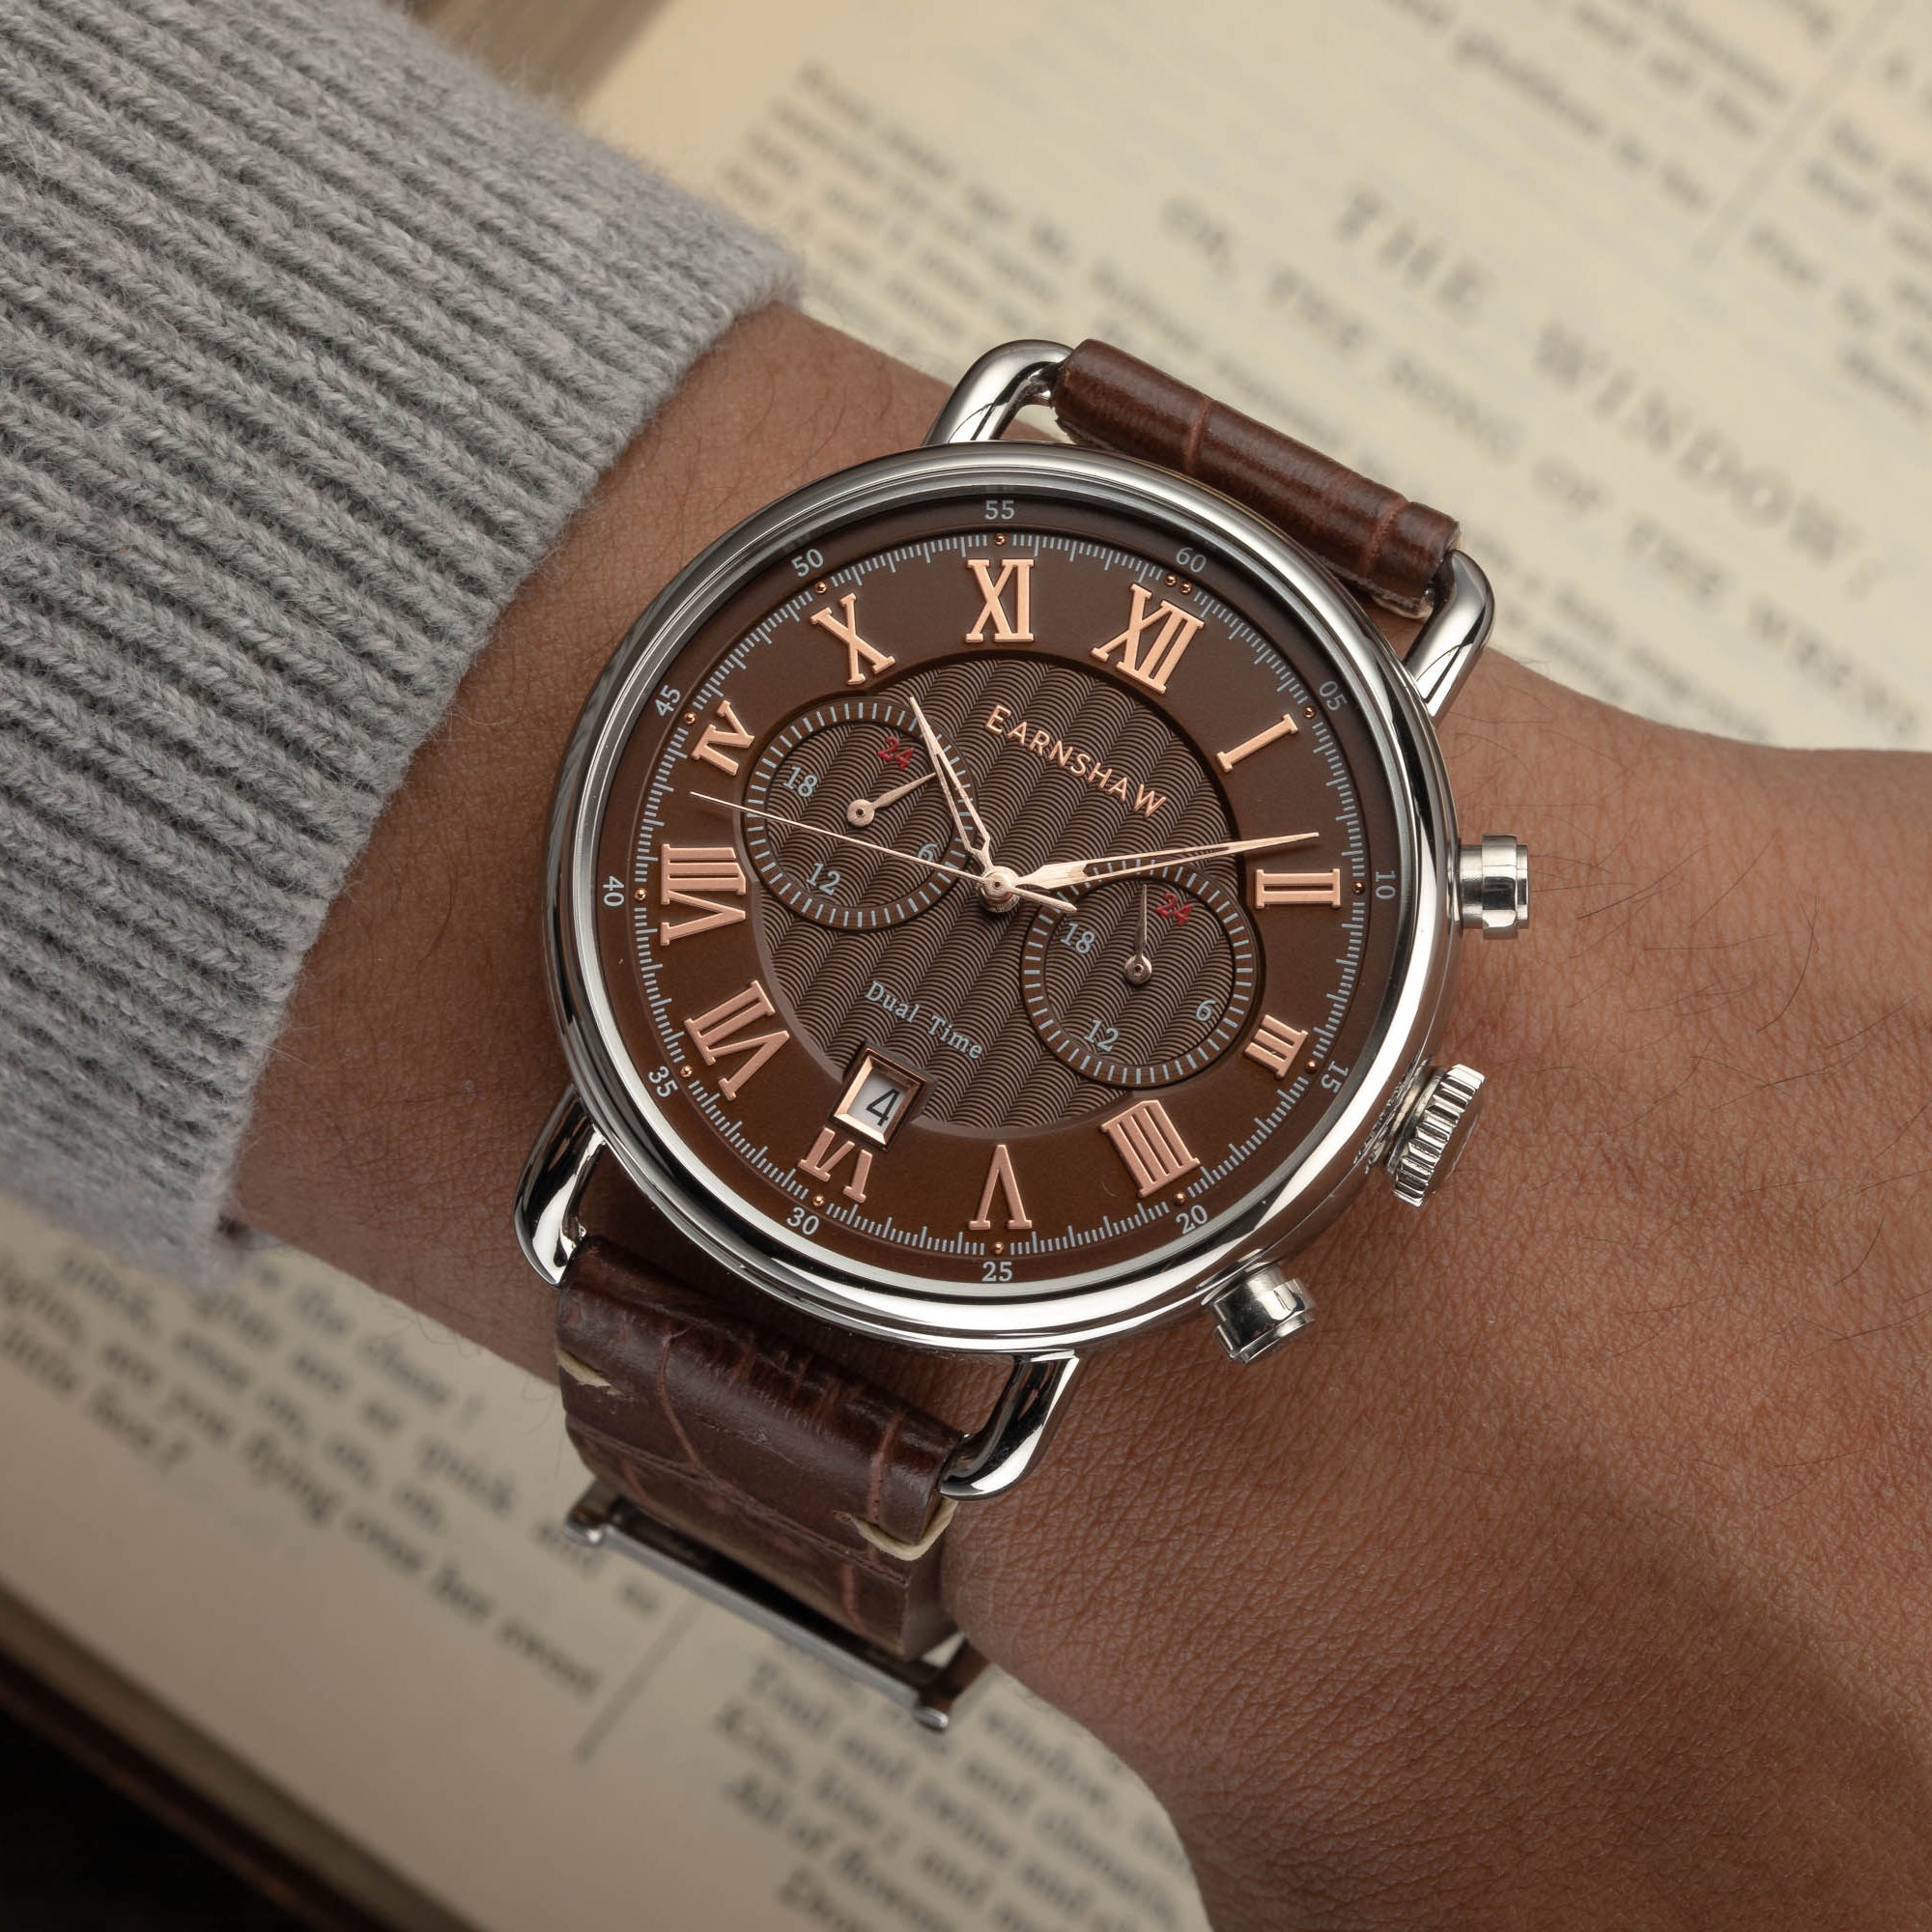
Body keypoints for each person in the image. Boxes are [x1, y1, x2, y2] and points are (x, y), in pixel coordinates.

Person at [4, 3, 1928, 1924]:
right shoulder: (719, 1211)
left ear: (1401, 1096)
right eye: (1002, 869)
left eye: (1038, 894)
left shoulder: (969, 1336)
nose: (1006, 887)